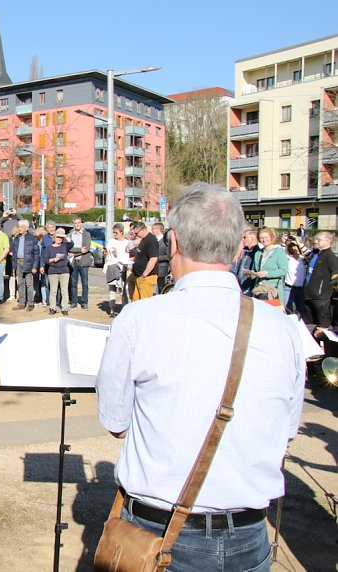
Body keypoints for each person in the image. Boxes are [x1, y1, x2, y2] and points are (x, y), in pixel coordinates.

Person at [96, 183, 305, 571]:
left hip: (158, 533)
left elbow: (116, 423)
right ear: (240, 248)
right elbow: (287, 428)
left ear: (171, 242)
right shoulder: (283, 328)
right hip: (249, 533)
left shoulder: (140, 319)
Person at [303, 231, 338, 329]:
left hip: (321, 299)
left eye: (319, 239)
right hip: (308, 295)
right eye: (315, 239)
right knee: (309, 326)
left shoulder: (330, 257)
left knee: (322, 328)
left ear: (328, 242)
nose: (316, 241)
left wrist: (332, 292)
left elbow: (336, 276)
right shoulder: (316, 254)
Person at [252, 227, 288, 305]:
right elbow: (254, 270)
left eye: (266, 237)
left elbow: (283, 270)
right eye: (261, 238)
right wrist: (251, 274)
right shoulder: (258, 253)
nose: (264, 240)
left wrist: (267, 273)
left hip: (273, 291)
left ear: (271, 237)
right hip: (259, 290)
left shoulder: (279, 252)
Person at [105, 223, 132, 316]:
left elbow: (127, 255)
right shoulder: (111, 241)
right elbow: (108, 253)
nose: (115, 234)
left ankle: (124, 309)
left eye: (116, 232)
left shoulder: (126, 242)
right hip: (112, 267)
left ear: (121, 232)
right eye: (113, 232)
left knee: (123, 290)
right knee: (112, 290)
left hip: (122, 268)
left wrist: (118, 255)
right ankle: (112, 310)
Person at [11, 220, 39, 311]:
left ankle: (30, 303)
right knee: (20, 284)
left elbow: (36, 253)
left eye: (22, 227)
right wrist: (14, 264)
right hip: (18, 263)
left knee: (29, 284)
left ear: (26, 228)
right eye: (19, 226)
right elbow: (14, 252)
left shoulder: (32, 238)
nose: (19, 228)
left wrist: (35, 266)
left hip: (28, 263)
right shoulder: (16, 238)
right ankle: (21, 303)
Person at [67, 217, 94, 310]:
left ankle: (84, 302)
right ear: (73, 224)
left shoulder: (86, 234)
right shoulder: (70, 235)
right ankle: (74, 302)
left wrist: (74, 252)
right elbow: (69, 249)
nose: (77, 224)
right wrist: (79, 250)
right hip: (74, 263)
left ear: (81, 223)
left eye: (79, 223)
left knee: (85, 283)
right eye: (75, 223)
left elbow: (86, 249)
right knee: (73, 283)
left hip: (84, 262)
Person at [42, 228, 70, 315]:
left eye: (60, 238)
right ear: (54, 238)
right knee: (53, 291)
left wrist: (63, 235)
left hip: (64, 270)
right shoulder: (49, 248)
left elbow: (71, 242)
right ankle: (52, 308)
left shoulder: (65, 246)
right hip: (53, 271)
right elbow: (46, 260)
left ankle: (64, 308)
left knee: (64, 291)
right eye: (57, 237)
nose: (59, 239)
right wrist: (54, 259)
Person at [129, 220, 159, 301]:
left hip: (146, 277)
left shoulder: (151, 240)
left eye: (137, 233)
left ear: (143, 230)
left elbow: (153, 258)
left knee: (144, 302)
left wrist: (145, 274)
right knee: (136, 301)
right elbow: (141, 255)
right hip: (138, 275)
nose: (136, 235)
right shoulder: (144, 240)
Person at [234, 226, 260, 296]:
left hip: (248, 288)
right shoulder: (245, 251)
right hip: (240, 287)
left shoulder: (257, 253)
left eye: (245, 237)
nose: (243, 240)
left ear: (252, 238)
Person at [284, 240, 305, 315]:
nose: (295, 251)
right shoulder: (288, 259)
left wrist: (299, 243)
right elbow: (282, 253)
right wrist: (285, 243)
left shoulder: (302, 260)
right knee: (287, 309)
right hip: (288, 288)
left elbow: (308, 253)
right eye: (293, 250)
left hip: (300, 289)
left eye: (296, 249)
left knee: (300, 309)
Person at [152, 222, 170, 293]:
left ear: (158, 229)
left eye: (153, 228)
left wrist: (156, 258)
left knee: (161, 288)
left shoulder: (165, 241)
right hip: (153, 268)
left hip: (162, 269)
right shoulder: (152, 240)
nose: (152, 230)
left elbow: (168, 256)